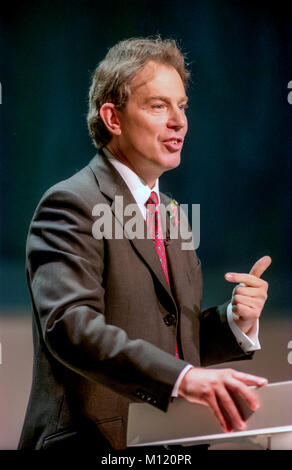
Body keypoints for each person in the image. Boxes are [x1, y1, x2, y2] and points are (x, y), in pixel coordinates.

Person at [18, 37, 271, 452]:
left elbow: (170, 341)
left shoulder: (170, 211)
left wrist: (234, 322)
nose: (179, 121)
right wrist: (185, 379)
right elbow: (70, 326)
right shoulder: (72, 202)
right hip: (94, 444)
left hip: (169, 445)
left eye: (182, 106)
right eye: (158, 106)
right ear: (113, 118)